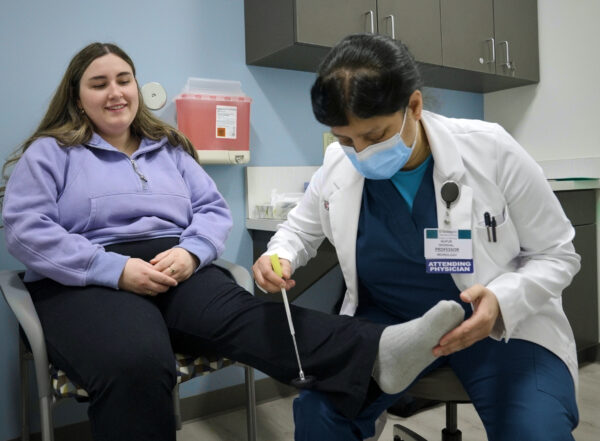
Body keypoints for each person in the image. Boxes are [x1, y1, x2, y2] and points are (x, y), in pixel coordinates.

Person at [0, 42, 467, 441]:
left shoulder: (168, 147)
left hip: (173, 261)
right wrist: (115, 269)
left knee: (252, 318)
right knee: (138, 363)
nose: (115, 91)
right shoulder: (52, 152)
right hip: (88, 277)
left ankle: (380, 350)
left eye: (124, 79)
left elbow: (211, 211)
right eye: (98, 83)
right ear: (78, 98)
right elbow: (25, 228)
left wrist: (191, 252)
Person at [253, 33, 580, 441]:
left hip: (497, 326)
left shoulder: (490, 149)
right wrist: (279, 255)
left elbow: (557, 254)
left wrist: (502, 301)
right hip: (389, 330)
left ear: (414, 105)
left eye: (374, 136)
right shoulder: (339, 165)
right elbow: (299, 231)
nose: (360, 152)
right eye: (345, 139)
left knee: (535, 432)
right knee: (320, 414)